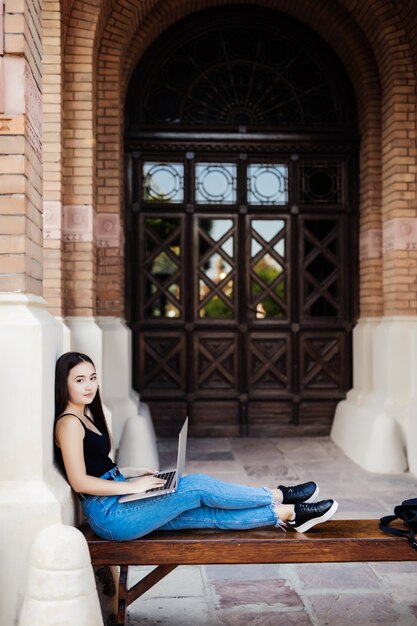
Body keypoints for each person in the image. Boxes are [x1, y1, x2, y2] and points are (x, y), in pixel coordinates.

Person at [54, 352, 339, 541]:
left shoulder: (85, 415)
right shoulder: (68, 423)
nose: (89, 386)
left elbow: (97, 466)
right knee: (197, 486)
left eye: (92, 378)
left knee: (208, 515)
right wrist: (131, 487)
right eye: (80, 380)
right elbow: (80, 481)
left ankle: (290, 514)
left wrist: (132, 472)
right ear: (63, 383)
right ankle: (280, 493)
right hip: (110, 517)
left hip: (120, 501)